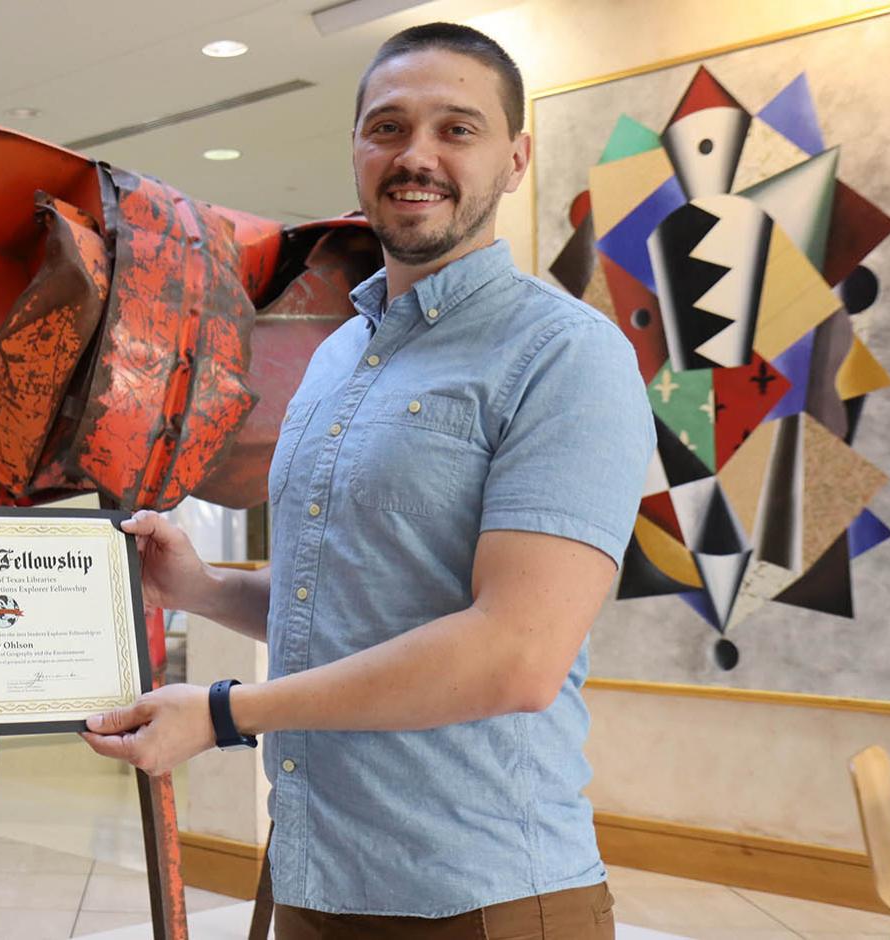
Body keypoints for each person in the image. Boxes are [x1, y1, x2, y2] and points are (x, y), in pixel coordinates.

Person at [82, 23, 654, 939]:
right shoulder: (338, 355)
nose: (415, 155)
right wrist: (201, 590)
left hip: (480, 895)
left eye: (455, 129)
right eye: (387, 128)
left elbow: (516, 654)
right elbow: (353, 602)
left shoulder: (566, 356)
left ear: (515, 159)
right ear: (355, 150)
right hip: (316, 876)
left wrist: (226, 713)